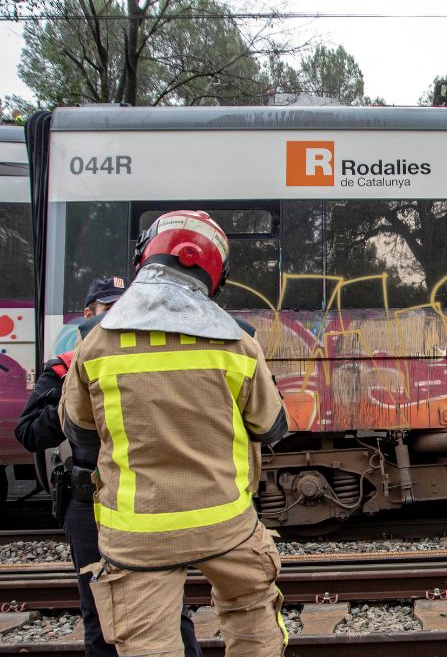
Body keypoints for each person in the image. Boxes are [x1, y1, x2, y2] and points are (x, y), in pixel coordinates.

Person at [60, 210, 289, 657]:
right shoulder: (239, 344)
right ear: (215, 274)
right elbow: (271, 428)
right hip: (226, 523)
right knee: (251, 615)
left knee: (149, 643)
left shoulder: (95, 342)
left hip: (137, 531)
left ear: (146, 257)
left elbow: (79, 432)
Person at [16, 277, 203, 657]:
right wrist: (76, 392)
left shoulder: (151, 362)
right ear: (88, 314)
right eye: (108, 308)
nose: (118, 316)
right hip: (92, 504)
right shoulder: (65, 368)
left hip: (150, 500)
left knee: (169, 611)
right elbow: (29, 433)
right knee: (101, 616)